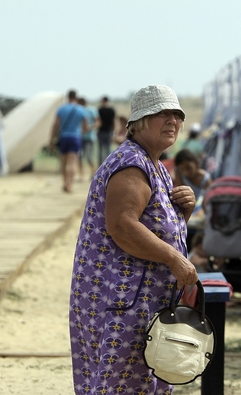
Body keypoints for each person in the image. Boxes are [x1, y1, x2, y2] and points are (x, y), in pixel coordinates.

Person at [69, 84, 198, 395]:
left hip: (136, 301)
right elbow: (123, 227)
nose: (172, 121)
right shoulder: (132, 163)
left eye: (177, 115)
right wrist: (175, 259)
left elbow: (158, 227)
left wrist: (185, 213)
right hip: (122, 303)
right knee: (123, 385)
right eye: (161, 114)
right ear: (139, 122)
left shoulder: (154, 165)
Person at [50, 90, 90, 193]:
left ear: (68, 97)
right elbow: (85, 126)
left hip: (63, 137)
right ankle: (70, 185)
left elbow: (55, 125)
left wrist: (51, 140)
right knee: (73, 162)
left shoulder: (61, 109)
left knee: (64, 163)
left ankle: (64, 183)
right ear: (76, 97)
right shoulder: (81, 110)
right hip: (75, 137)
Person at [79, 97, 100, 179]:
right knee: (79, 157)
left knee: (89, 157)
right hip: (80, 137)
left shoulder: (92, 110)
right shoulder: (79, 110)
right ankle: (81, 175)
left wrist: (89, 128)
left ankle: (93, 173)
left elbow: (98, 122)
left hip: (89, 137)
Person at [97, 96, 116, 164]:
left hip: (101, 131)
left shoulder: (100, 110)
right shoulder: (111, 110)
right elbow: (114, 121)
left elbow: (98, 122)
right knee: (108, 150)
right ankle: (109, 164)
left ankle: (100, 165)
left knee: (100, 150)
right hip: (109, 131)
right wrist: (113, 131)